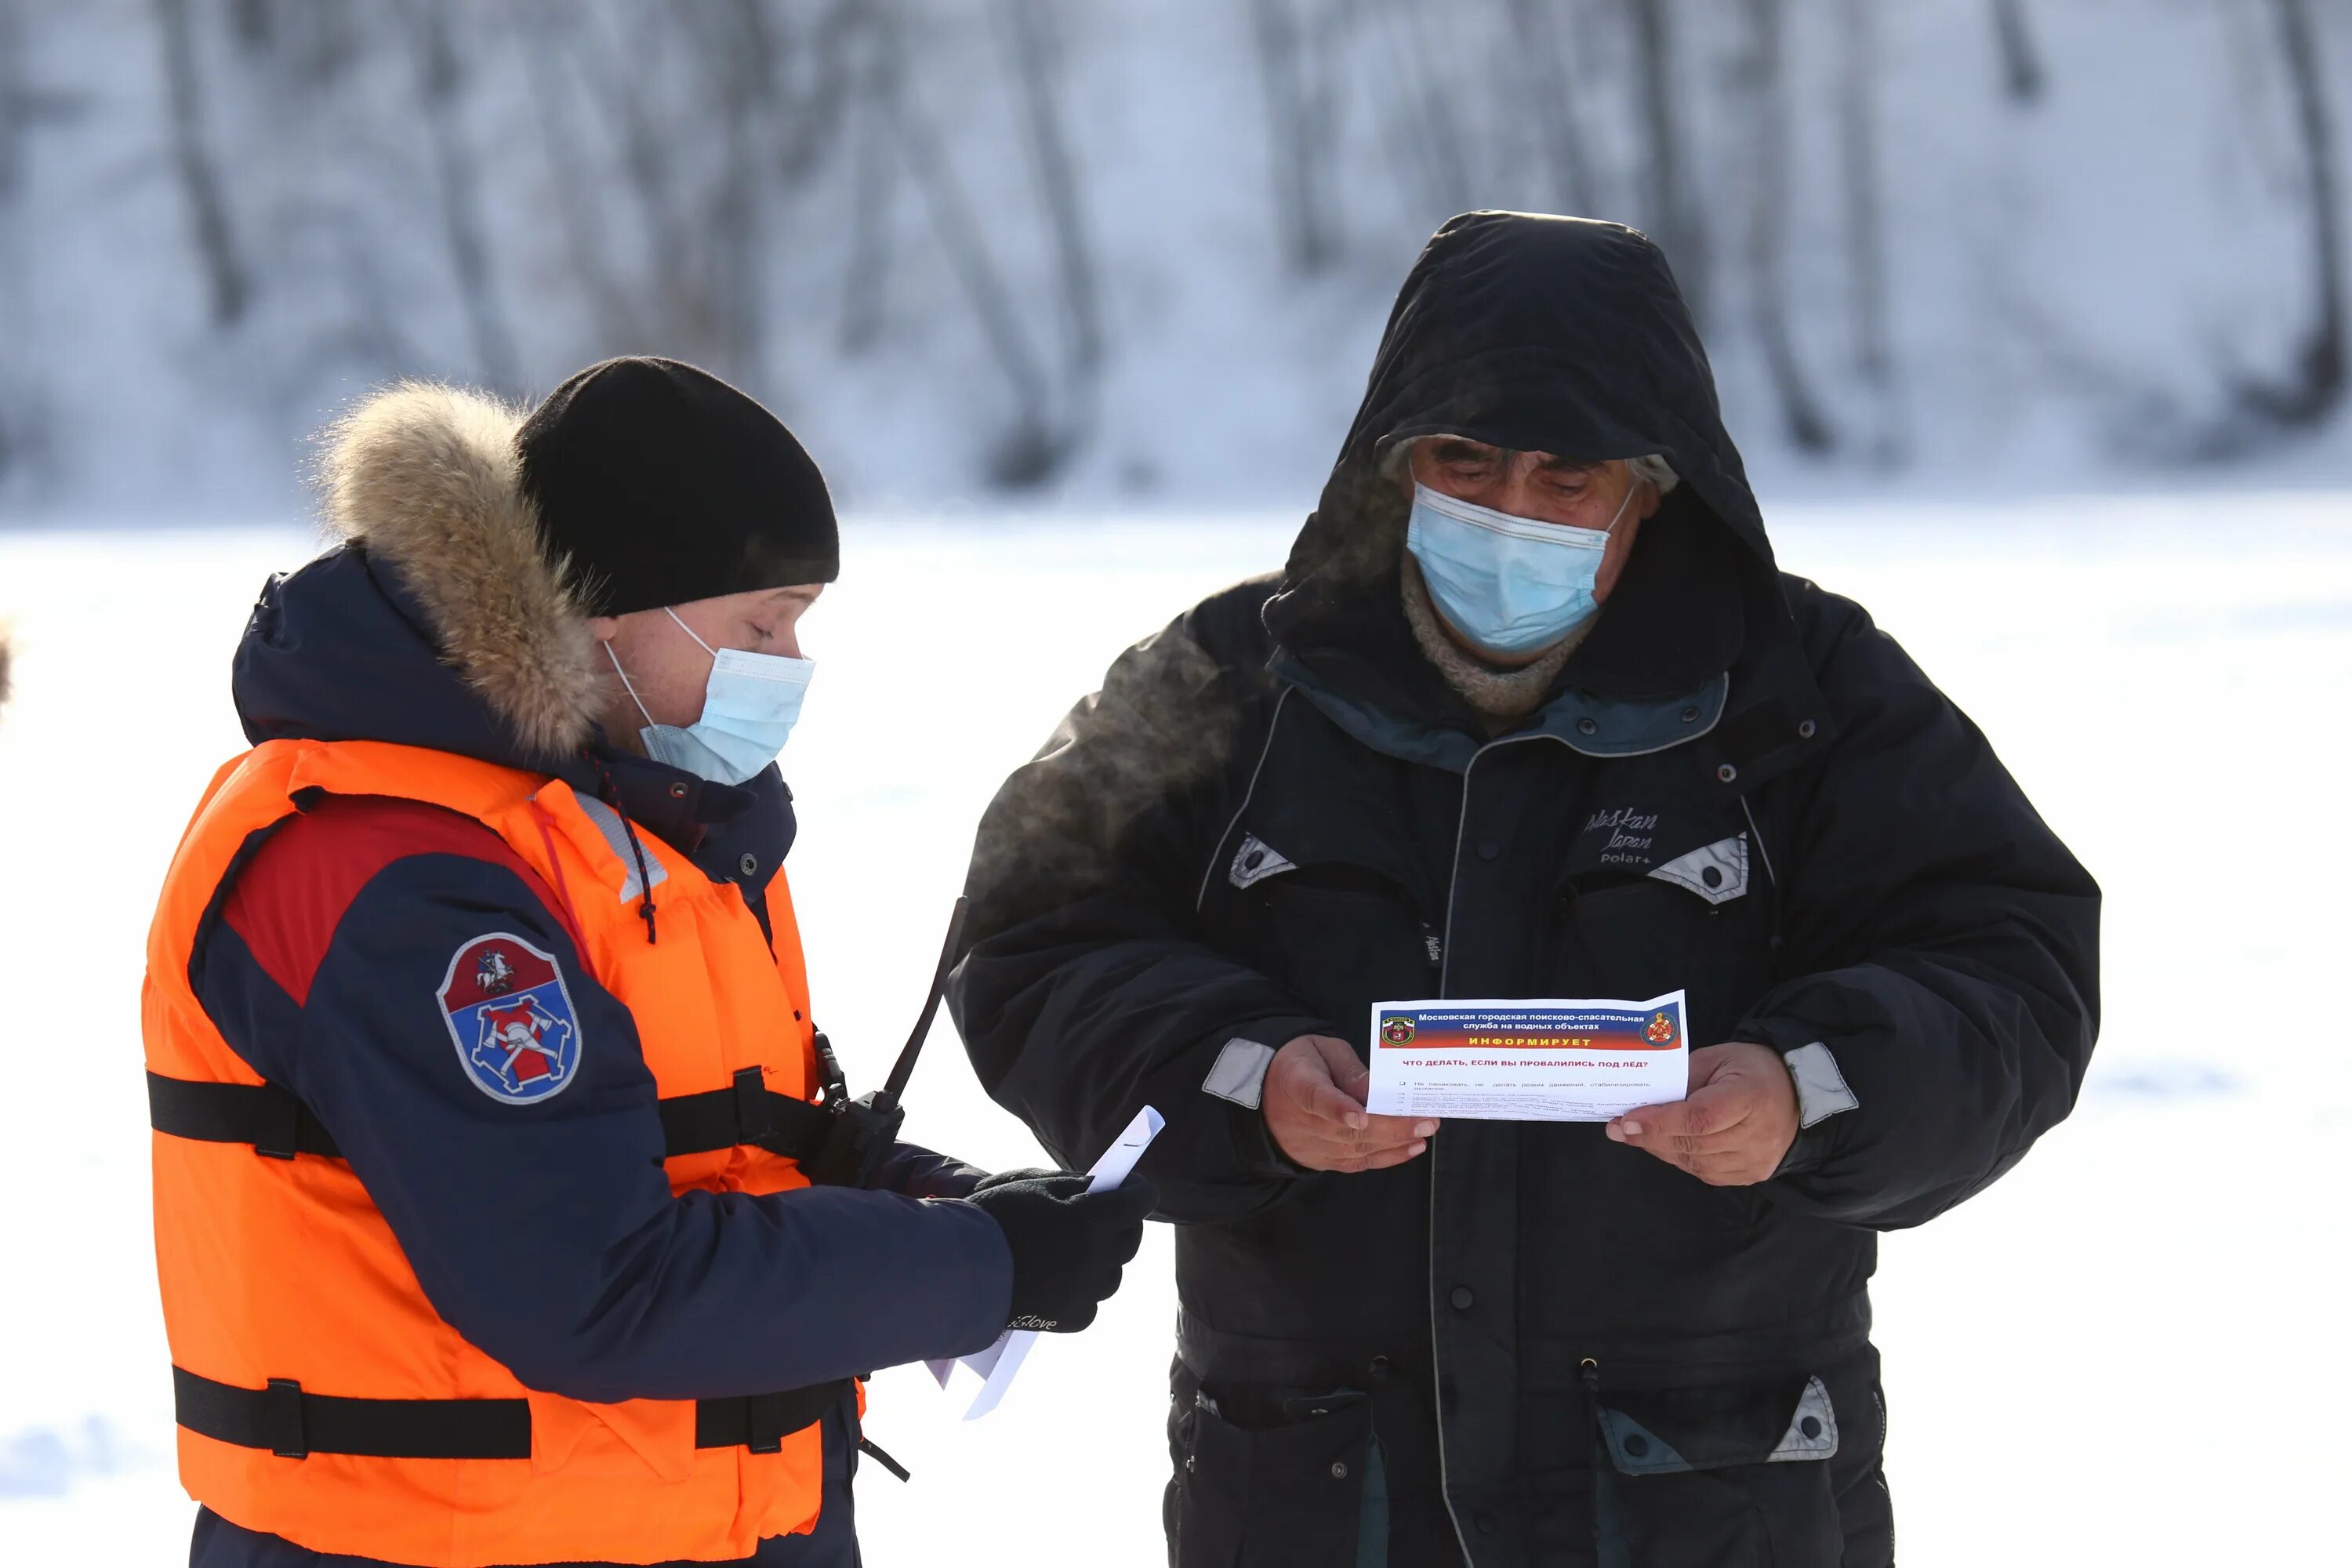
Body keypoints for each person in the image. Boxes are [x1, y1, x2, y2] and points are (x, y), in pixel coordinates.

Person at [947, 213, 2099, 1567]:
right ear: (1396, 464)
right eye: (1467, 463)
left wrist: (1811, 1091)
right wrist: (1240, 1076)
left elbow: (2012, 967)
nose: (1511, 514)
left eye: (1569, 479)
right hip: (1316, 1491)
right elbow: (1029, 932)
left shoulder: (1810, 695)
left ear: (1654, 489)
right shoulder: (1227, 683)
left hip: (1715, 1498)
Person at [143, 356, 1152, 1568]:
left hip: (693, 1527)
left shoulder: (648, 822)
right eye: (759, 625)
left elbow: (712, 1140)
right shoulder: (399, 873)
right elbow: (591, 1283)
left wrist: (923, 1193)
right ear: (606, 615)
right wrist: (977, 1268)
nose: (789, 665)